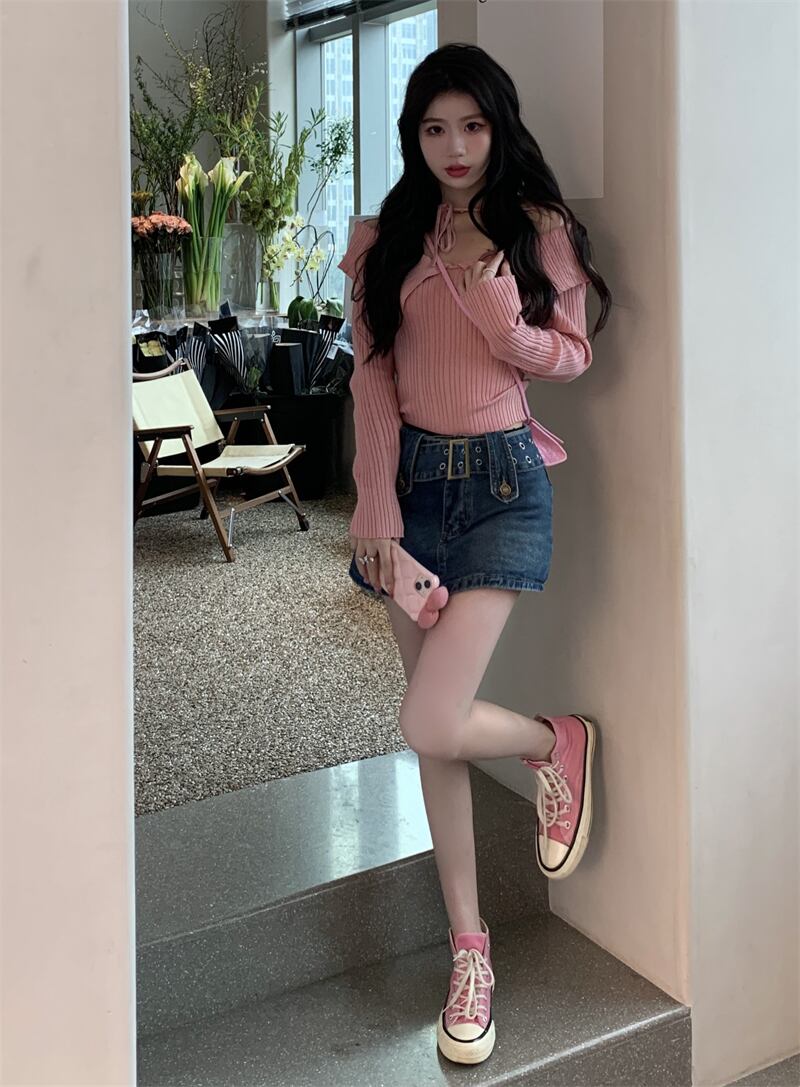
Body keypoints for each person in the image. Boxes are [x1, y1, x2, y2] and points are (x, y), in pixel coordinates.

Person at [337, 42, 612, 1067]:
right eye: (433, 128)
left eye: (472, 125)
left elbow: (572, 355)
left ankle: (552, 741)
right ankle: (469, 949)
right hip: (409, 493)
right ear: (413, 137)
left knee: (430, 715)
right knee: (435, 738)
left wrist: (505, 321)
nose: (454, 147)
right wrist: (373, 506)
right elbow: (372, 381)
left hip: (501, 485)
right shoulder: (385, 239)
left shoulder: (538, 230)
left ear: (499, 127)